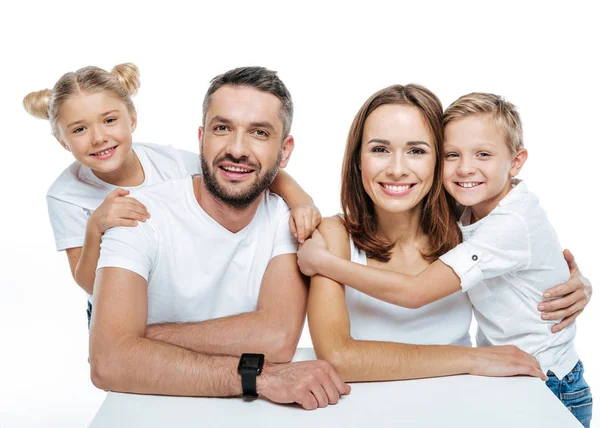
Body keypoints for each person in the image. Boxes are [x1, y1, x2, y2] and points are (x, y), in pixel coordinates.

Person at [298, 91, 592, 425]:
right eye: (380, 149)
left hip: (482, 406)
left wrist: (578, 285)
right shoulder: (334, 236)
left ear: (436, 160)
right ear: (357, 159)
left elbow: (524, 256)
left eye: (417, 151)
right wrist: (471, 359)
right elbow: (338, 357)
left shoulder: (464, 226)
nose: (397, 169)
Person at [87, 66, 350, 410]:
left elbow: (277, 338)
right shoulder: (138, 214)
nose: (237, 149)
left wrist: (142, 341)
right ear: (201, 138)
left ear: (285, 151)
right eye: (222, 128)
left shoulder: (287, 219)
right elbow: (109, 362)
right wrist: (258, 376)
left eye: (259, 132)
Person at [23, 63, 321, 328]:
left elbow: (237, 169)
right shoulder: (65, 195)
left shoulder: (170, 162)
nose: (98, 137)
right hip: (117, 310)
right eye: (79, 129)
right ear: (62, 142)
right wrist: (95, 228)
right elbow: (88, 282)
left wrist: (300, 199)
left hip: (179, 308)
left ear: (132, 120)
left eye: (109, 120)